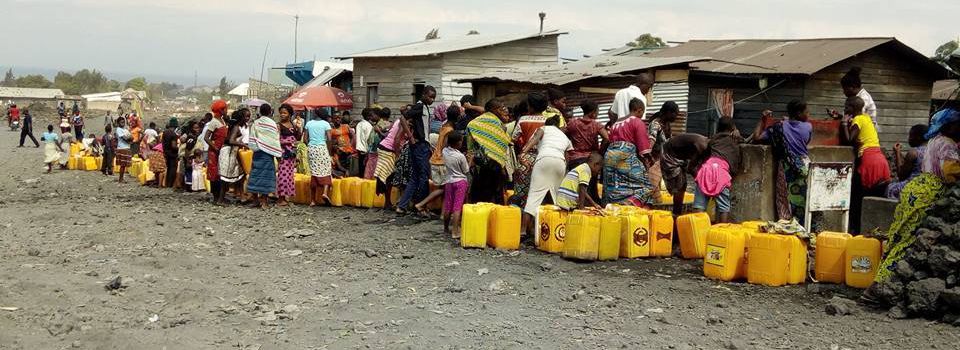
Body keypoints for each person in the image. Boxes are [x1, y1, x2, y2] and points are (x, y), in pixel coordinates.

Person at [872, 108, 960, 285]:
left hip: (915, 189)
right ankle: (878, 287)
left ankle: (877, 280)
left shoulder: (934, 141)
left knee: (897, 236)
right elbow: (950, 173)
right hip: (927, 192)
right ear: (949, 127)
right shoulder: (948, 144)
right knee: (906, 240)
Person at [752, 101, 813, 222]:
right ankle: (806, 224)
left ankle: (787, 225)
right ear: (799, 113)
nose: (808, 114)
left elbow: (756, 138)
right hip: (805, 165)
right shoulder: (808, 127)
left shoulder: (778, 127)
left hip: (786, 167)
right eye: (807, 112)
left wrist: (763, 119)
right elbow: (806, 141)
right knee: (807, 196)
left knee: (785, 197)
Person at [841, 96, 891, 233]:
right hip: (880, 159)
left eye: (846, 107)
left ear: (852, 108)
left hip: (869, 160)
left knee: (858, 199)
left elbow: (849, 139)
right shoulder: (866, 118)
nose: (845, 110)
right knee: (875, 199)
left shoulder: (857, 120)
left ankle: (856, 231)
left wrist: (844, 124)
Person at [519, 115, 572, 238]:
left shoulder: (544, 128)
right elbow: (567, 156)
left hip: (544, 159)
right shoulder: (564, 136)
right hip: (560, 163)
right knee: (555, 198)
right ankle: (555, 230)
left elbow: (536, 138)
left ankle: (523, 230)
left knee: (534, 196)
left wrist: (524, 152)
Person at [603, 98, 656, 207]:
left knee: (614, 186)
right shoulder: (637, 122)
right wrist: (650, 160)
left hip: (610, 156)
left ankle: (613, 207)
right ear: (640, 110)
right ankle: (629, 204)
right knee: (647, 187)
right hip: (625, 155)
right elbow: (644, 149)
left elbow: (609, 140)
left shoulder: (616, 123)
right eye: (642, 113)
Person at [414, 105, 461, 215]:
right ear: (457, 116)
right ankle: (421, 204)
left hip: (436, 158)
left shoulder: (444, 125)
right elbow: (445, 146)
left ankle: (443, 214)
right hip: (441, 161)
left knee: (445, 189)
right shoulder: (450, 130)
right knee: (443, 189)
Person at [396, 85, 437, 213]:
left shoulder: (424, 107)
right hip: (419, 146)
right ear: (424, 94)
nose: (432, 100)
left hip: (422, 145)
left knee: (415, 177)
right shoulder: (419, 106)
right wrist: (411, 137)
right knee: (423, 177)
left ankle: (402, 206)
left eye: (433, 98)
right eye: (430, 96)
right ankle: (421, 206)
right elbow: (403, 118)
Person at [694, 117, 742, 223]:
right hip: (721, 172)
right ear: (733, 128)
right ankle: (721, 231)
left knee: (699, 205)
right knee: (724, 207)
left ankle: (697, 231)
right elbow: (735, 164)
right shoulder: (734, 143)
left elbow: (704, 153)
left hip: (705, 170)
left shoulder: (713, 140)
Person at [510, 92, 551, 208]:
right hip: (543, 158)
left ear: (530, 106)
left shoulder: (523, 120)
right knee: (540, 192)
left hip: (525, 159)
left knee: (521, 192)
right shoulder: (549, 120)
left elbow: (513, 139)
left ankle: (519, 218)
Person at [565, 99, 608, 202]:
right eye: (597, 111)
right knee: (590, 188)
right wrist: (600, 152)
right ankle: (588, 210)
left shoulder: (573, 123)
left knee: (575, 187)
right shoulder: (596, 125)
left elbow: (564, 133)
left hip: (574, 159)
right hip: (591, 160)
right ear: (593, 112)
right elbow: (606, 138)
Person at [373, 107, 412, 209]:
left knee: (387, 177)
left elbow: (388, 134)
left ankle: (388, 202)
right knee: (389, 177)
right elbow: (397, 139)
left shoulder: (397, 121)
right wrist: (398, 155)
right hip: (389, 150)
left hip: (384, 147)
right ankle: (388, 203)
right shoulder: (404, 123)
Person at [247, 104, 283, 209]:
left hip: (258, 153)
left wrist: (256, 147)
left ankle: (255, 200)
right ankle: (264, 201)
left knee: (254, 175)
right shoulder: (273, 124)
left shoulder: (256, 123)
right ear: (270, 112)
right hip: (268, 155)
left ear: (260, 112)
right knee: (267, 177)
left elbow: (252, 137)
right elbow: (274, 140)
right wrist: (278, 156)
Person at [646, 101, 681, 196]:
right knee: (652, 190)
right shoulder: (655, 124)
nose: (676, 116)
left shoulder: (666, 124)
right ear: (669, 112)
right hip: (654, 161)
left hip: (662, 160)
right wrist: (649, 159)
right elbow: (650, 143)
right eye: (675, 114)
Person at [886, 124, 928, 200]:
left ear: (918, 137)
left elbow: (901, 176)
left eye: (911, 136)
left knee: (890, 187)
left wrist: (897, 152)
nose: (909, 139)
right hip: (927, 187)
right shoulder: (932, 151)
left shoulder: (914, 153)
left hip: (913, 187)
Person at [440, 132, 469, 238]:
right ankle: (455, 231)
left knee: (448, 206)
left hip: (449, 181)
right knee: (457, 208)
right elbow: (465, 170)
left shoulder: (445, 151)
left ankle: (446, 228)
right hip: (460, 182)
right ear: (457, 143)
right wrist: (470, 161)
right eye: (461, 141)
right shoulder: (460, 156)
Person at [304, 108, 334, 206]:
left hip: (311, 148)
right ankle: (325, 193)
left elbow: (305, 138)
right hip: (322, 148)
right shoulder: (326, 124)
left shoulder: (308, 123)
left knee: (314, 172)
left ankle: (312, 200)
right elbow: (329, 139)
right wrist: (329, 153)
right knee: (326, 169)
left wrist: (310, 145)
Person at [204, 100, 230, 204]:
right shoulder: (214, 122)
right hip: (214, 152)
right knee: (214, 174)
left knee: (220, 174)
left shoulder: (223, 121)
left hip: (221, 151)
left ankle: (220, 196)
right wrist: (214, 147)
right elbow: (206, 137)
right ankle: (216, 197)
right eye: (225, 109)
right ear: (221, 110)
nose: (226, 110)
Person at [276, 104, 301, 206]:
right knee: (282, 175)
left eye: (285, 113)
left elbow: (298, 138)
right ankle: (280, 198)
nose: (282, 115)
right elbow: (276, 140)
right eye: (281, 113)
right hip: (283, 152)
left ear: (290, 114)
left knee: (289, 176)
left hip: (292, 153)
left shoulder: (293, 125)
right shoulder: (278, 126)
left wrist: (299, 128)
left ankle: (286, 197)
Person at [219, 109, 248, 199]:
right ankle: (220, 199)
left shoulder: (239, 126)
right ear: (241, 117)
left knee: (240, 175)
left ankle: (241, 195)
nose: (248, 118)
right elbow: (231, 140)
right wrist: (243, 144)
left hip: (233, 152)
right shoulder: (236, 127)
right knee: (226, 178)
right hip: (228, 153)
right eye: (246, 116)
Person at [840, 67, 879, 131]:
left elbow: (857, 119)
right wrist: (840, 116)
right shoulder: (856, 97)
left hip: (866, 133)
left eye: (845, 89)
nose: (843, 92)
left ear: (852, 87)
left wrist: (844, 121)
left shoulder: (863, 98)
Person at [178, 120, 203, 191]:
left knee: (190, 173)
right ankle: (188, 187)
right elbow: (187, 149)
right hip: (189, 157)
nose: (197, 130)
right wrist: (188, 160)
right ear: (192, 128)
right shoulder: (191, 138)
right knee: (189, 172)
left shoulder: (194, 137)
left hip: (191, 157)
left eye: (198, 128)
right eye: (195, 128)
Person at [329, 111, 356, 177]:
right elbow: (329, 141)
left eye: (339, 117)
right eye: (335, 118)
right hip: (338, 153)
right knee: (339, 168)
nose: (337, 119)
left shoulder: (346, 126)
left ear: (341, 118)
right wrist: (333, 147)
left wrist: (350, 146)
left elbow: (353, 136)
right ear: (332, 119)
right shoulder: (330, 130)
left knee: (349, 170)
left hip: (348, 152)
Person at [364, 107, 388, 179]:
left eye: (372, 115)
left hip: (378, 153)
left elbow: (385, 137)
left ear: (377, 115)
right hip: (372, 152)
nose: (370, 117)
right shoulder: (375, 125)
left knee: (373, 174)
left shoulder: (383, 124)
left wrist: (379, 131)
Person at [355, 108, 375, 178]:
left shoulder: (359, 124)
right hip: (366, 150)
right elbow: (369, 140)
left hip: (359, 149)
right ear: (368, 116)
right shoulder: (368, 126)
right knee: (366, 171)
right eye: (372, 115)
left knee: (361, 170)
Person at [161, 118, 180, 188]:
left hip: (166, 153)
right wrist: (179, 149)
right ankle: (170, 184)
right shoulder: (173, 134)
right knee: (173, 169)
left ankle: (167, 184)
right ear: (175, 126)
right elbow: (173, 146)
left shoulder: (165, 132)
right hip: (173, 154)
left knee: (168, 168)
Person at [114, 117, 133, 183]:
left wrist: (129, 139)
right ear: (118, 123)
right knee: (122, 165)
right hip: (122, 148)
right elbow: (125, 138)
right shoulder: (118, 129)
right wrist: (129, 139)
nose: (123, 123)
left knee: (124, 165)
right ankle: (120, 179)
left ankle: (121, 178)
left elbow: (131, 137)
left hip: (126, 147)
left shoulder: (125, 130)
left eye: (123, 122)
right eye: (121, 122)